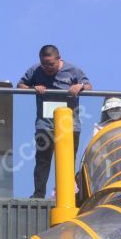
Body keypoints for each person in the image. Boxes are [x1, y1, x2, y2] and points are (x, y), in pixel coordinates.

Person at [17, 45, 92, 198]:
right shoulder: (35, 70)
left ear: (59, 59)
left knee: (67, 161)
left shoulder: (73, 70)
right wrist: (33, 87)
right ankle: (38, 194)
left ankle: (66, 195)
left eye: (51, 64)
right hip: (44, 125)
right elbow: (20, 85)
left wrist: (80, 86)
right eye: (44, 64)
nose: (47, 68)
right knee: (42, 160)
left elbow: (89, 86)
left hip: (69, 125)